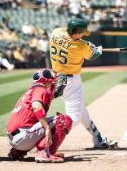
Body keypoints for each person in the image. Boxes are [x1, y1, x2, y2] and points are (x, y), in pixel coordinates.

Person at [49, 18, 116, 149]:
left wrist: (86, 43)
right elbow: (92, 55)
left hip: (56, 79)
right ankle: (45, 133)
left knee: (80, 111)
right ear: (76, 33)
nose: (82, 35)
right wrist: (98, 50)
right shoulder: (80, 47)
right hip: (71, 82)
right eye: (81, 33)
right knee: (73, 118)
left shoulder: (56, 32)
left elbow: (72, 40)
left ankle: (98, 140)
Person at [6, 69, 72, 163]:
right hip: (22, 137)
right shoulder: (40, 90)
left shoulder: (31, 91)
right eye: (51, 78)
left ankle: (17, 152)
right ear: (46, 80)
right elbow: (36, 106)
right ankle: (45, 153)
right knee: (63, 120)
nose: (54, 80)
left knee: (40, 122)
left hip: (15, 137)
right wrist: (47, 128)